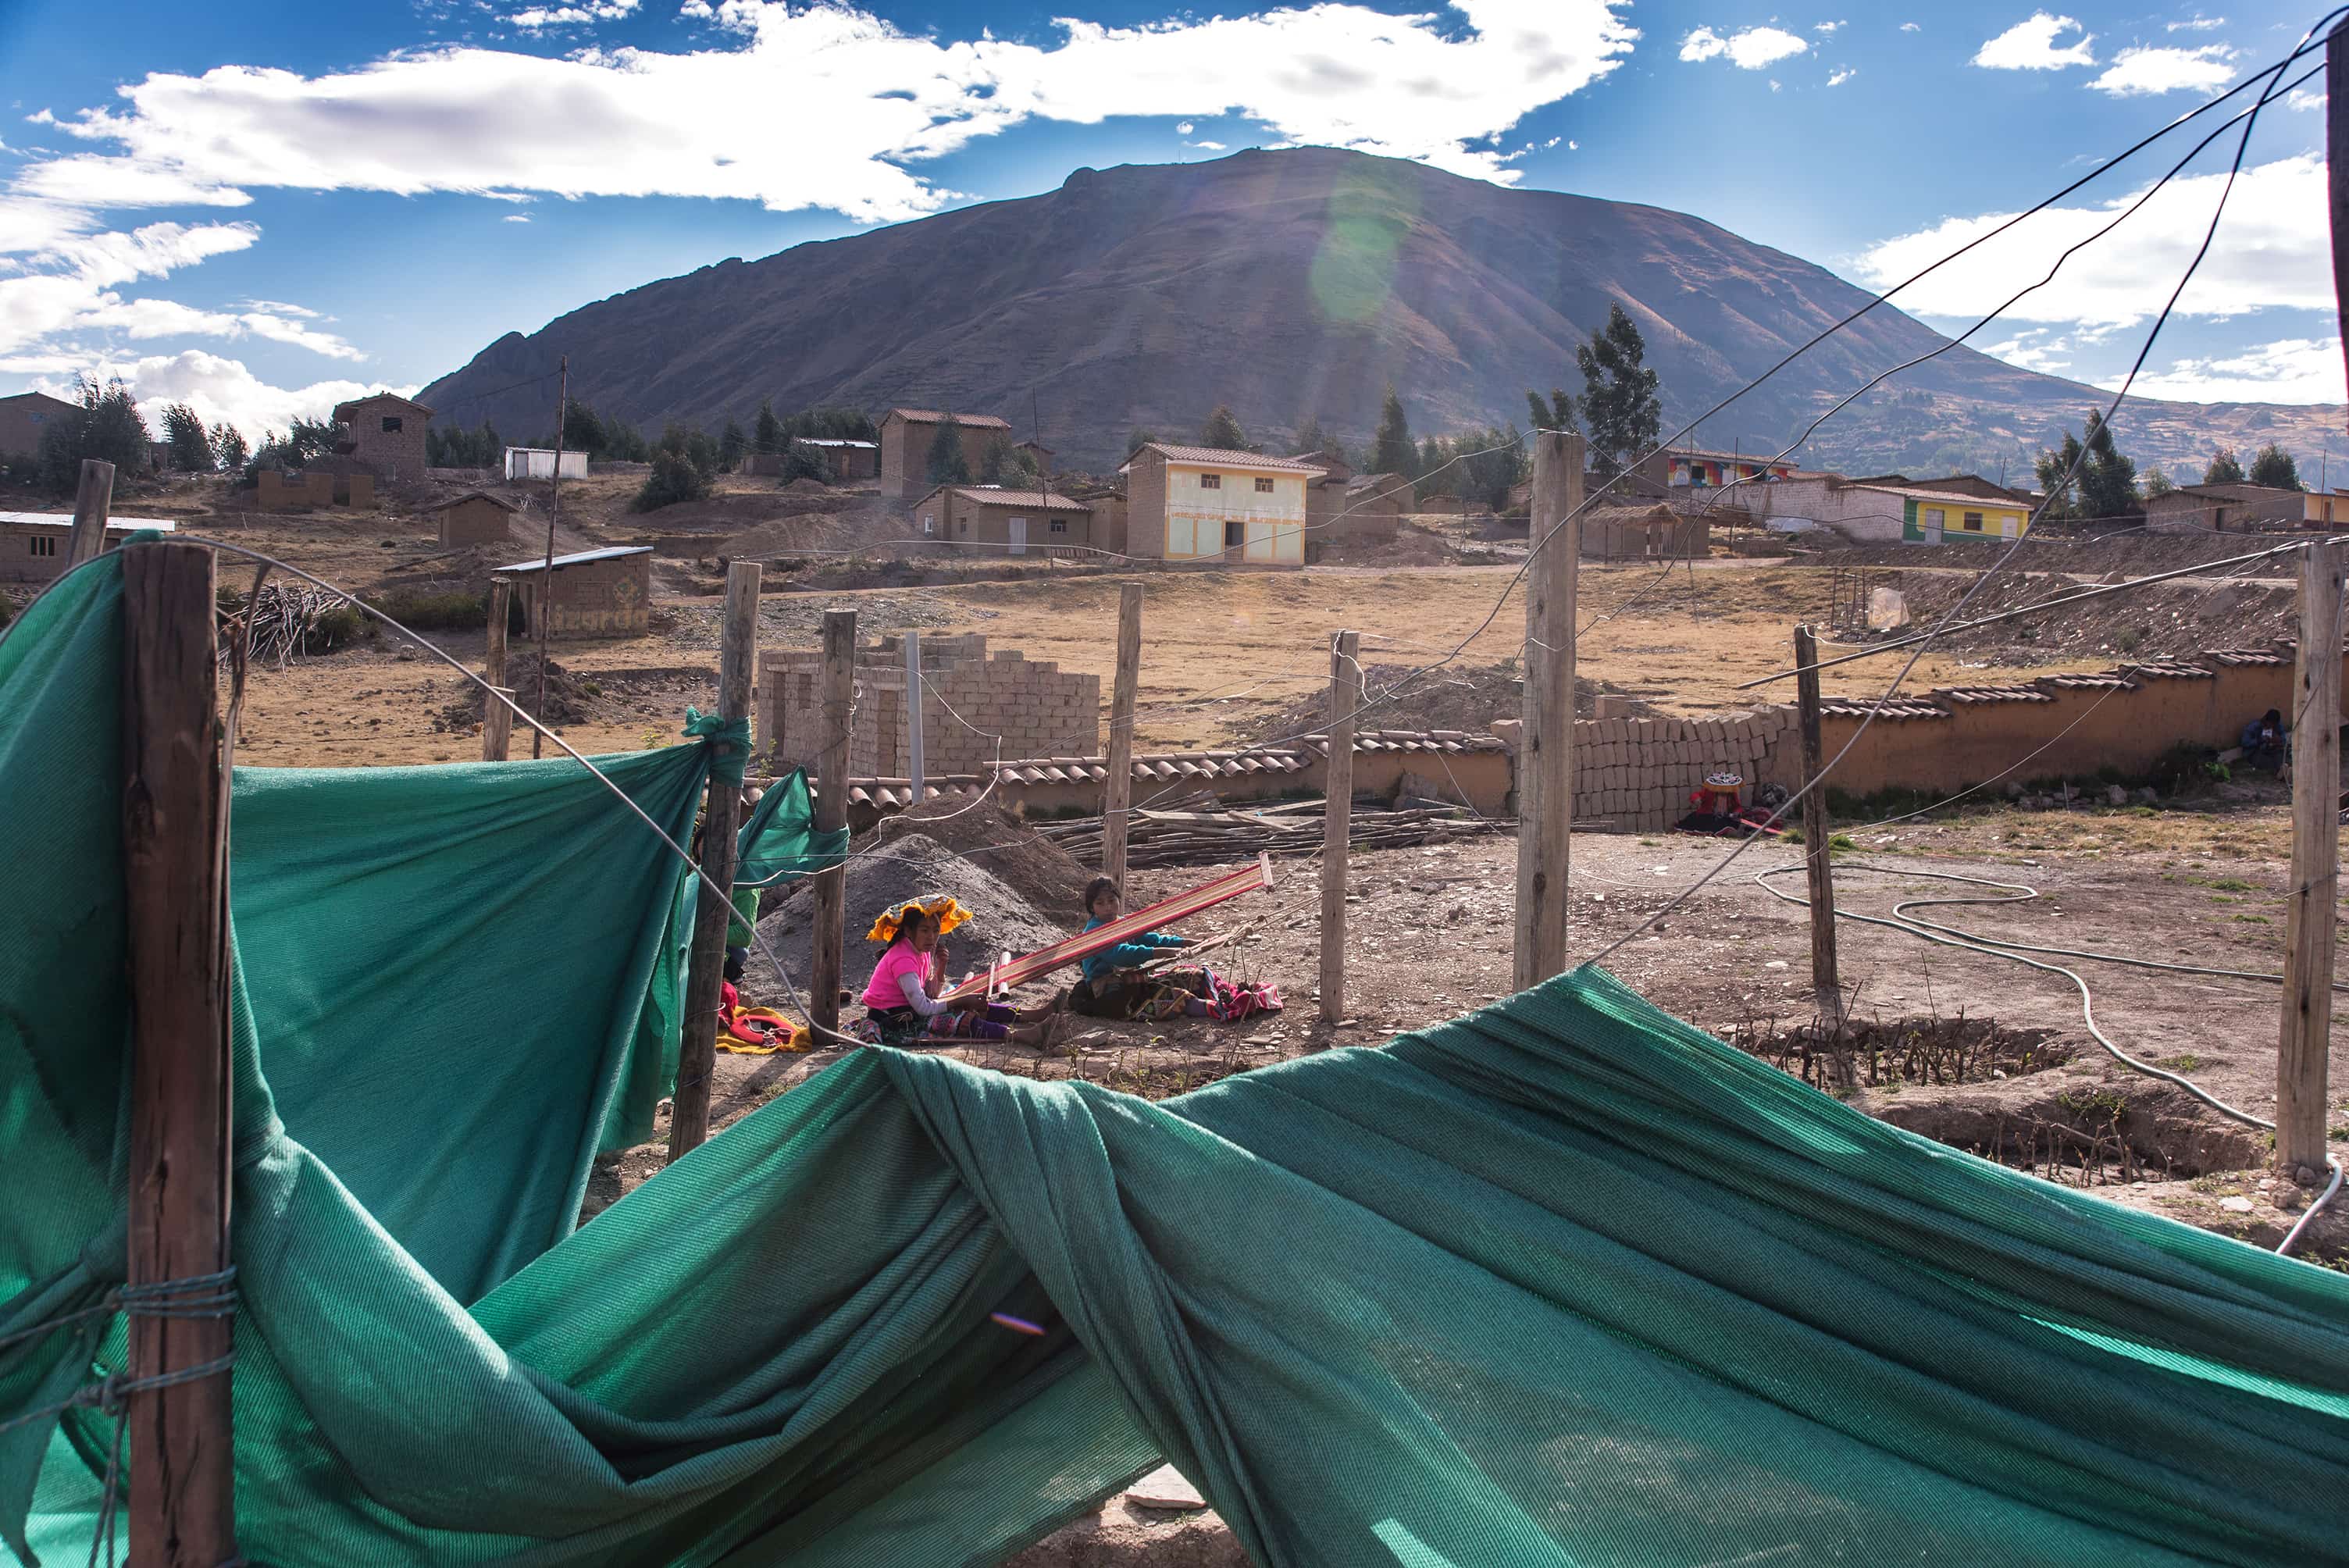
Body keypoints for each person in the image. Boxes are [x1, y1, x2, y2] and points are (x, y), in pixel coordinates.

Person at [1066, 876, 1280, 1023]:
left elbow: (1150, 937)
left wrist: (1184, 941)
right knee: (1176, 997)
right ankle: (1218, 1008)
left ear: (1118, 901)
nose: (1108, 907)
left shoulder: (1121, 923)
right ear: (1091, 907)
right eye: (1101, 903)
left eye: (1112, 901)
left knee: (1196, 975)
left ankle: (1224, 997)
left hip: (1135, 980)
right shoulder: (1093, 932)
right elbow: (1121, 955)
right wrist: (1157, 953)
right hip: (1112, 993)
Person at [852, 896, 1056, 1048]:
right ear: (908, 931)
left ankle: (1031, 1015)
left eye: (936, 930)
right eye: (924, 930)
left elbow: (931, 994)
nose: (932, 936)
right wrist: (960, 1001)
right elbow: (923, 1007)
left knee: (971, 1002)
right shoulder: (903, 959)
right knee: (959, 1019)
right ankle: (1022, 1036)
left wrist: (941, 969)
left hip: (910, 1008)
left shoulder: (920, 950)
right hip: (893, 1019)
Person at [2240, 708, 2289, 775]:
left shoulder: (2278, 725)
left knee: (2280, 757)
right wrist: (2259, 740)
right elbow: (2244, 743)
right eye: (2270, 724)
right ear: (2266, 720)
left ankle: (2283, 773)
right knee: (2268, 763)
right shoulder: (2254, 727)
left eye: (2274, 725)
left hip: (2271, 750)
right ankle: (2280, 772)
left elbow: (2283, 739)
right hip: (2256, 752)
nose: (2272, 726)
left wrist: (2279, 740)